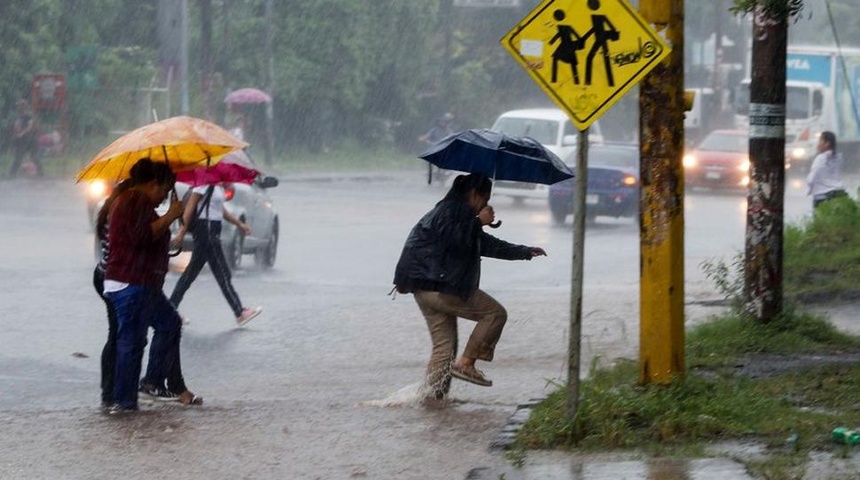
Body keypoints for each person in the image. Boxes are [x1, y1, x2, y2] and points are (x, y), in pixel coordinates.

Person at [392, 173, 547, 403]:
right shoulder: (453, 212)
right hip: (440, 285)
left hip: (423, 288)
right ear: (475, 195)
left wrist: (523, 252)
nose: (487, 205)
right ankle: (467, 363)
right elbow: (454, 239)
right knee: (494, 314)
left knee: (444, 349)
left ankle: (432, 402)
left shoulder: (453, 213)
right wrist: (479, 222)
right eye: (485, 199)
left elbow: (483, 244)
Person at [102, 159, 192, 413]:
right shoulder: (134, 201)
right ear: (153, 184)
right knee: (132, 341)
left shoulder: (136, 202)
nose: (163, 197)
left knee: (169, 324)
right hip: (131, 283)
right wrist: (169, 217)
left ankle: (149, 382)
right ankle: (125, 403)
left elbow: (149, 235)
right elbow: (141, 236)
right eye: (163, 191)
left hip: (142, 284)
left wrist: (168, 223)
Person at [169, 182, 263, 327]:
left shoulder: (216, 186)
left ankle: (170, 310)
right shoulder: (203, 185)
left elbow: (221, 211)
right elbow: (190, 208)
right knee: (223, 274)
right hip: (206, 232)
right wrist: (182, 231)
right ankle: (239, 312)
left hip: (212, 231)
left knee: (190, 275)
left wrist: (240, 224)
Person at [806, 131, 847, 209]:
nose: (818, 144)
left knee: (821, 220)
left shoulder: (820, 158)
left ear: (827, 143)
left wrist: (809, 189)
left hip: (822, 196)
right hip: (839, 193)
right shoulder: (839, 157)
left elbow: (813, 176)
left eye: (820, 141)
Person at [7, 100, 43, 177]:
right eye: (18, 106)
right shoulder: (20, 116)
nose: (18, 107)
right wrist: (16, 134)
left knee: (34, 157)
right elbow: (17, 126)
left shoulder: (28, 115)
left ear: (23, 106)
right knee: (18, 157)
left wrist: (23, 133)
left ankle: (41, 173)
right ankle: (12, 173)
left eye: (19, 106)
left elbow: (30, 125)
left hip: (30, 139)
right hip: (22, 140)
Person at [419, 112, 454, 185]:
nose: (442, 123)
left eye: (444, 122)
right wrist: (423, 139)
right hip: (434, 148)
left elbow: (452, 137)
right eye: (441, 122)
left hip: (444, 149)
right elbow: (427, 136)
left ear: (446, 123)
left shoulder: (448, 130)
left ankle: (445, 173)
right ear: (438, 122)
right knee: (428, 160)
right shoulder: (434, 130)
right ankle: (430, 172)